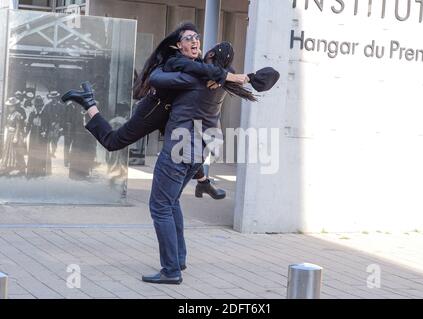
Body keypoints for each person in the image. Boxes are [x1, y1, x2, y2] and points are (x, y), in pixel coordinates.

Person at [62, 23, 278, 285]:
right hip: (195, 154)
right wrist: (237, 76)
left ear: (210, 59)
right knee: (171, 202)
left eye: (199, 42)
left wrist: (214, 72)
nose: (197, 43)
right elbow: (268, 74)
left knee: (160, 206)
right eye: (192, 38)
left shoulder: (193, 78)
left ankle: (171, 270)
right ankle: (179, 260)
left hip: (178, 150)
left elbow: (155, 78)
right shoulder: (220, 83)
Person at [26, 95, 52, 178]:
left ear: (42, 106)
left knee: (41, 152)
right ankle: (31, 170)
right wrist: (25, 133)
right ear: (34, 106)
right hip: (33, 136)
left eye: (40, 106)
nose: (38, 108)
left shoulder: (46, 115)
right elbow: (28, 125)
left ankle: (40, 170)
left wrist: (46, 132)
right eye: (36, 106)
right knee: (32, 152)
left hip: (42, 137)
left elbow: (49, 126)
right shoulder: (32, 114)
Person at [0, 97, 26, 176]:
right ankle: (7, 167)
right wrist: (8, 127)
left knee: (17, 151)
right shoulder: (10, 114)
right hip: (9, 134)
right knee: (8, 151)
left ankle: (22, 168)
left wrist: (16, 137)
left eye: (13, 106)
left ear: (15, 106)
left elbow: (18, 126)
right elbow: (8, 124)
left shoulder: (17, 114)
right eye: (10, 106)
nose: (11, 107)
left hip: (15, 134)